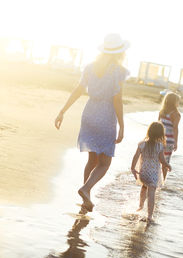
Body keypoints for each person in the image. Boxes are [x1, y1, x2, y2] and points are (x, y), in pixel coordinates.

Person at [54, 33, 130, 211]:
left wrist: (62, 111)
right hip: (106, 114)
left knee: (92, 159)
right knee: (105, 162)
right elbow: (117, 99)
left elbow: (79, 89)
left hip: (89, 112)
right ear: (120, 52)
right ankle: (86, 189)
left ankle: (85, 198)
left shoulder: (90, 67)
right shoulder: (118, 71)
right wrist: (122, 125)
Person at [131, 122, 171, 222]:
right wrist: (168, 165)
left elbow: (135, 156)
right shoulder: (160, 146)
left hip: (143, 173)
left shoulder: (142, 144)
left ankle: (140, 206)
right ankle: (149, 215)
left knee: (144, 187)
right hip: (153, 175)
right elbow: (162, 160)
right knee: (151, 193)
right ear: (161, 134)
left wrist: (133, 168)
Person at [158, 92, 181, 180]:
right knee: (165, 162)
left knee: (157, 160)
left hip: (158, 138)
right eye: (178, 101)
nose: (178, 103)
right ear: (174, 102)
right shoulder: (176, 114)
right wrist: (176, 142)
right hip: (168, 141)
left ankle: (154, 180)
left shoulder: (161, 112)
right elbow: (175, 128)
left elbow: (157, 125)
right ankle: (162, 182)